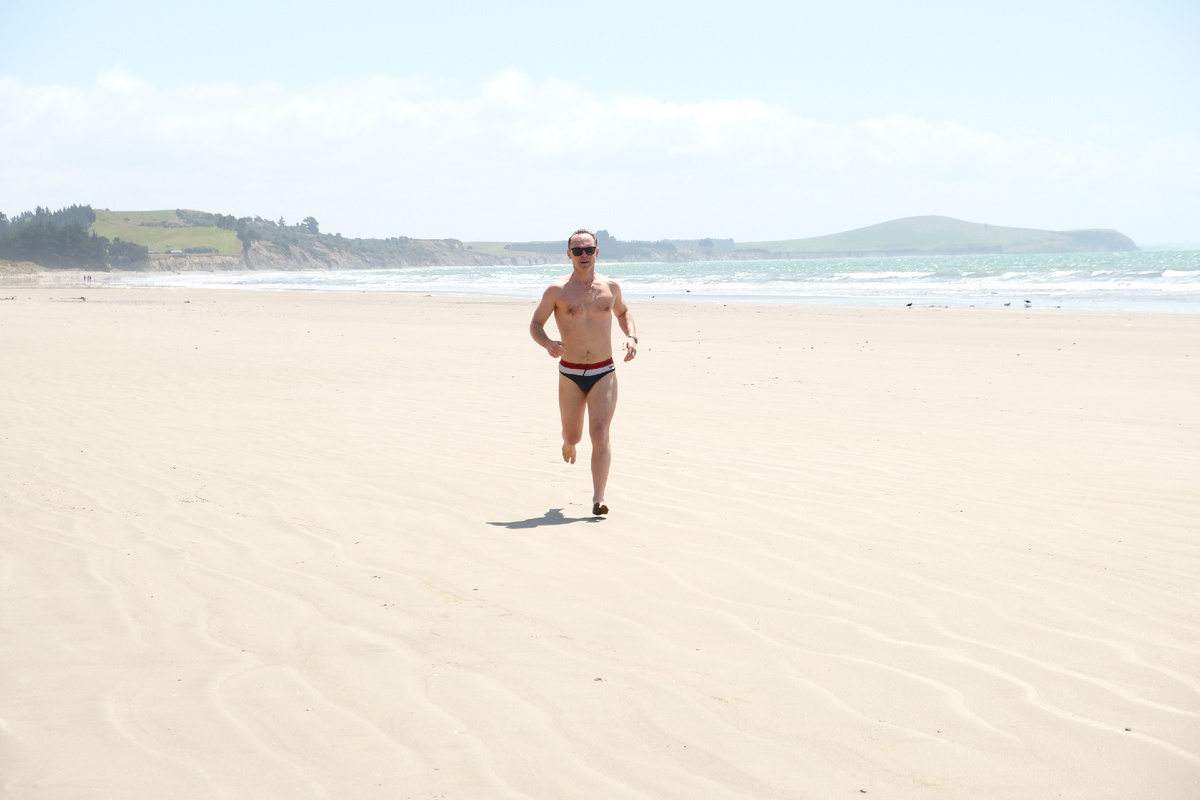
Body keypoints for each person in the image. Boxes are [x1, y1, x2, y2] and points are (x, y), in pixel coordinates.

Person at [530, 229, 638, 516]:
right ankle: (568, 442)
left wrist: (631, 337)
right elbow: (536, 324)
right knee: (574, 435)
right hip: (570, 372)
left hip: (604, 370)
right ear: (569, 255)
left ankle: (598, 498)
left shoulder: (610, 287)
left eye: (588, 250)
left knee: (600, 433)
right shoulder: (557, 290)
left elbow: (624, 313)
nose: (584, 256)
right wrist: (547, 343)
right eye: (577, 251)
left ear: (597, 252)